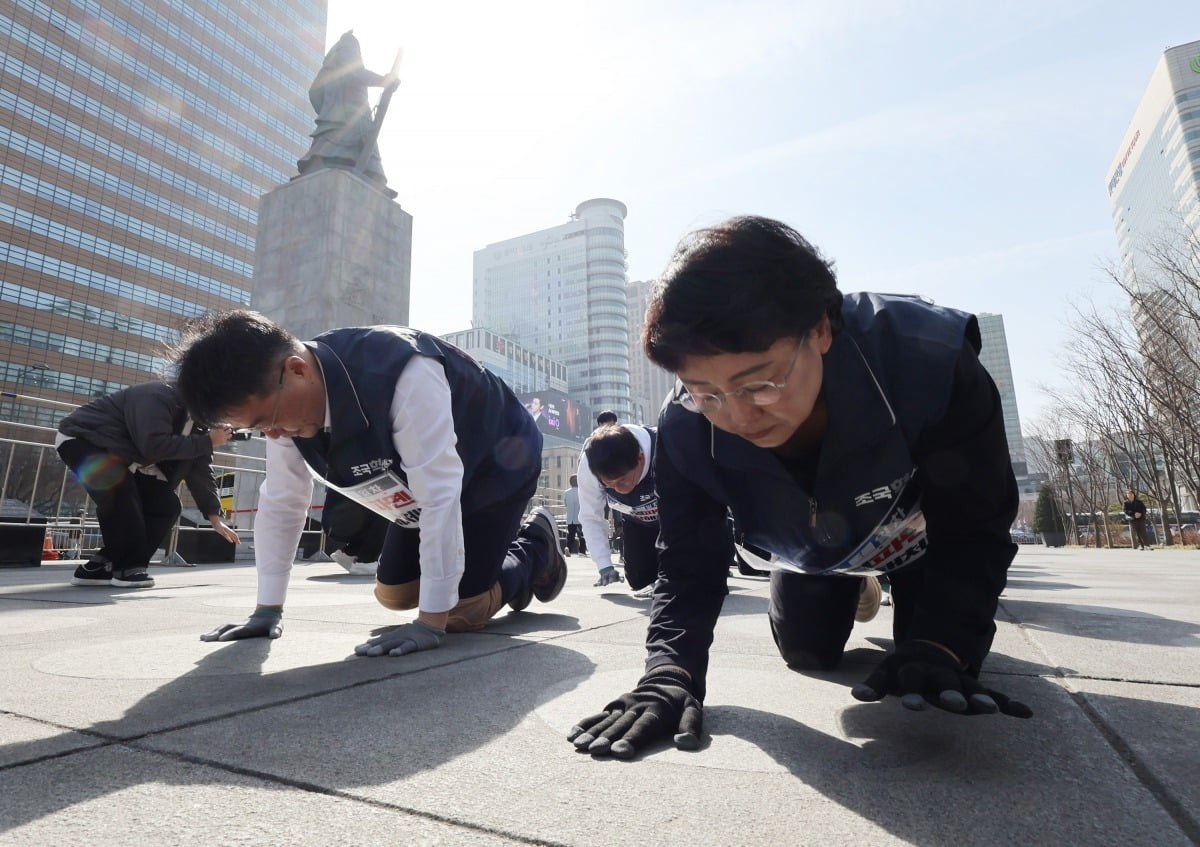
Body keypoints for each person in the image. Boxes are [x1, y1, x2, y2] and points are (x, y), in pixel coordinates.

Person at [568, 216, 1031, 760]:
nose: (737, 416)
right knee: (808, 651)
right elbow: (689, 561)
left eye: (760, 383)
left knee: (930, 661)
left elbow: (976, 524)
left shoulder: (927, 362)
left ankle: (900, 590)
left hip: (920, 541)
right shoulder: (686, 427)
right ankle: (857, 583)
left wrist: (943, 638)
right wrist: (670, 672)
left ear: (820, 329)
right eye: (707, 392)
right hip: (811, 548)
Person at [173, 310, 567, 656]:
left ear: (296, 370)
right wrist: (266, 610)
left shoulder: (402, 373)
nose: (274, 435)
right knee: (394, 595)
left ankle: (535, 549)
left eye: (268, 421)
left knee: (460, 611)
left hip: (496, 464)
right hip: (419, 484)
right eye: (257, 430)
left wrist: (431, 623)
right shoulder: (282, 409)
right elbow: (282, 499)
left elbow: (441, 496)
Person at [56, 381, 240, 588]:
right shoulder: (157, 396)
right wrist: (207, 441)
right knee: (120, 490)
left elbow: (200, 471)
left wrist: (214, 517)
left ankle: (100, 566)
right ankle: (127, 568)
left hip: (123, 456)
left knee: (166, 504)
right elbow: (152, 445)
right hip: (82, 439)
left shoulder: (200, 427)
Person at [578, 424, 661, 592]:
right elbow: (590, 516)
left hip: (678, 517)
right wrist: (604, 564)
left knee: (685, 574)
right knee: (640, 581)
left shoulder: (665, 446)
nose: (618, 489)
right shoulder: (589, 466)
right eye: (609, 483)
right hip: (636, 520)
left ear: (641, 458)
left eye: (622, 480)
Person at [562, 474, 586, 556]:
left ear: (570, 483)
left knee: (570, 535)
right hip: (580, 517)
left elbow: (565, 504)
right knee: (582, 534)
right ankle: (582, 551)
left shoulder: (566, 493)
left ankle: (568, 548)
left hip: (570, 518)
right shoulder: (582, 492)